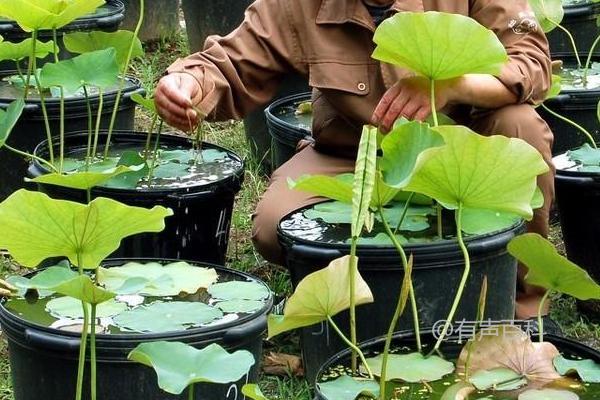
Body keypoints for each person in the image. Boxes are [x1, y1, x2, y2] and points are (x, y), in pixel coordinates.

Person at [155, 0, 554, 322]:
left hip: (458, 149)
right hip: (352, 154)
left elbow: (531, 63)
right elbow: (233, 59)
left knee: (523, 128)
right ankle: (367, 298)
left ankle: (522, 307)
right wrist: (189, 82)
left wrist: (450, 84)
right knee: (274, 227)